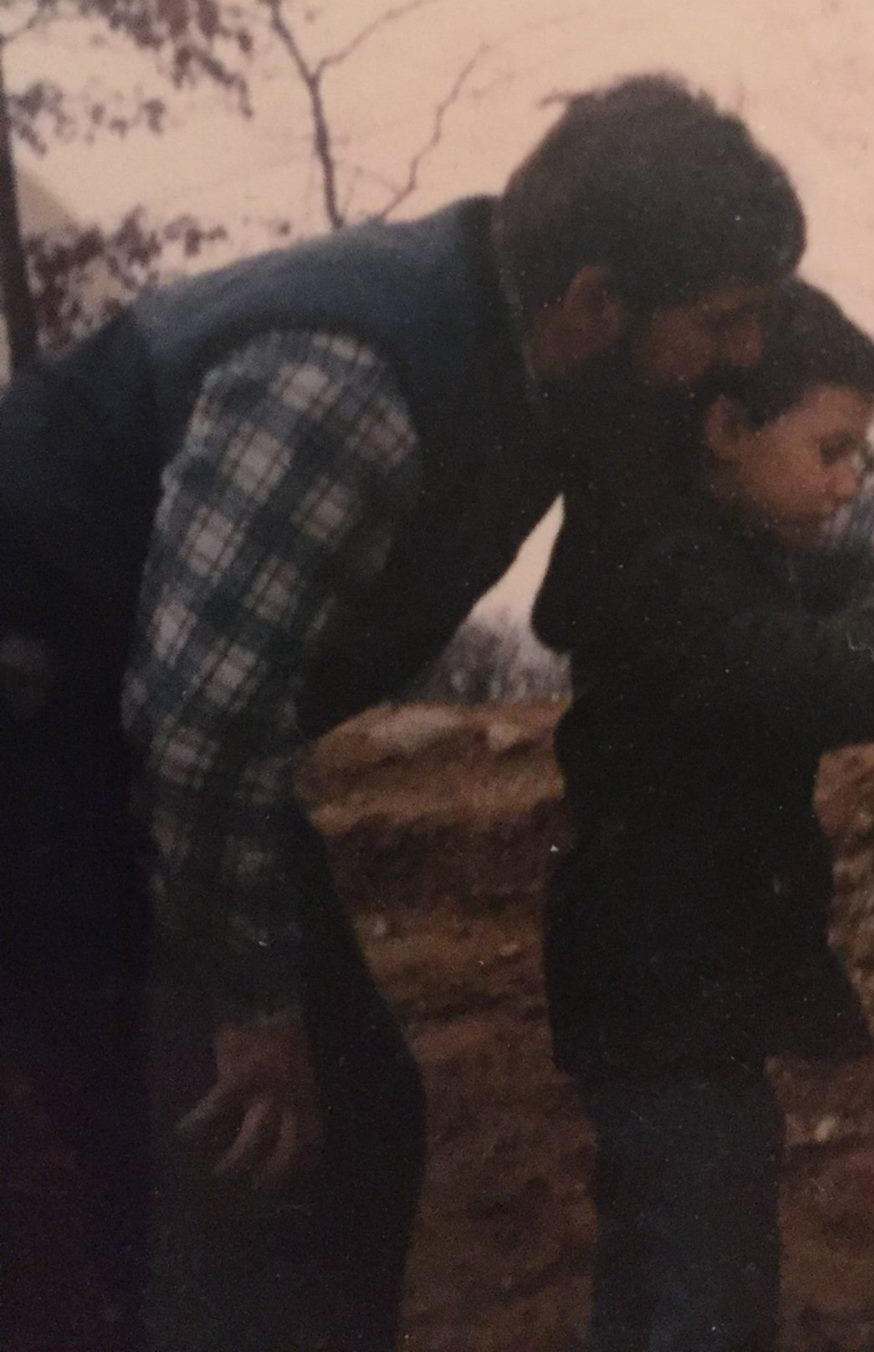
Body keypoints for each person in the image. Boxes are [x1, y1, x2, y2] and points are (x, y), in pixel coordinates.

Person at [0, 73, 808, 1352]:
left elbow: (783, 449)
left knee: (356, 1119)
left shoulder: (563, 346)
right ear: (598, 301)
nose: (746, 351)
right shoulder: (349, 389)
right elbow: (203, 721)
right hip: (44, 729)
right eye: (725, 320)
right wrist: (254, 1006)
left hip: (134, 733)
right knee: (232, 1163)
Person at [534, 279, 874, 1350]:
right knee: (710, 1271)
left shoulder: (709, 534)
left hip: (649, 985)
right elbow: (799, 670)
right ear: (728, 430)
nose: (850, 483)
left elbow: (855, 574)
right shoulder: (678, 578)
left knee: (654, 1252)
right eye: (831, 451)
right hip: (666, 986)